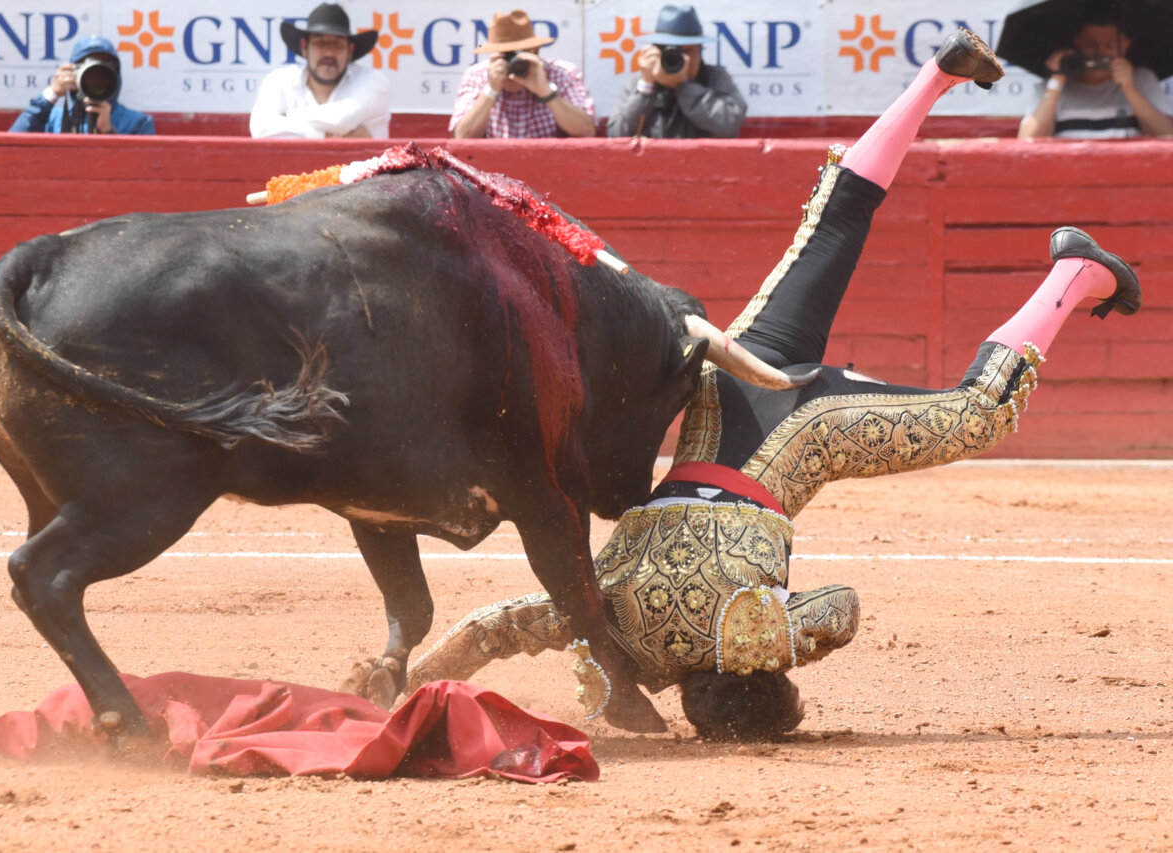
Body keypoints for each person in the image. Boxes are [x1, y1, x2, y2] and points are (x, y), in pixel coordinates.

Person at [407, 28, 1142, 739]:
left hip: (803, 440)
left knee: (977, 412)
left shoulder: (746, 631)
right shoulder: (617, 627)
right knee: (830, 229)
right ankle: (938, 76)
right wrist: (418, 677)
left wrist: (778, 636)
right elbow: (493, 624)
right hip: (718, 395)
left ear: (763, 678)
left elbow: (841, 609)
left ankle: (1076, 272)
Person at [1017, 2, 1173, 139]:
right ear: (1077, 43)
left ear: (1125, 45)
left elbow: (1167, 135)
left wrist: (1130, 89)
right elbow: (1027, 141)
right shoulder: (1051, 86)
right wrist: (1056, 82)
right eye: (1091, 45)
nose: (1100, 52)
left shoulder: (1141, 79)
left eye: (1110, 46)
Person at [250, 3, 391, 139]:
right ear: (305, 47)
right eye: (320, 43)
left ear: (350, 50)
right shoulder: (279, 81)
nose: (329, 52)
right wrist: (323, 135)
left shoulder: (374, 81)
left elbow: (341, 119)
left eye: (338, 44)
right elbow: (260, 129)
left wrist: (287, 116)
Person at [450, 10, 596, 139]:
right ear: (492, 56)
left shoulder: (562, 73)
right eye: (505, 56)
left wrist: (546, 92)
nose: (512, 64)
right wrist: (491, 90)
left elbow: (587, 131)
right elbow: (462, 136)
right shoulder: (477, 75)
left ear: (535, 51)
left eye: (518, 55)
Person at [606, 4, 746, 139]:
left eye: (685, 51)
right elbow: (616, 134)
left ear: (699, 50)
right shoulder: (640, 81)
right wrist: (646, 88)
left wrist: (684, 86)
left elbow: (729, 124)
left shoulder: (715, 77)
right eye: (667, 50)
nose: (676, 57)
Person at [9, 36, 155, 135]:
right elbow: (10, 147)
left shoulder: (139, 123)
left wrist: (108, 132)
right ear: (74, 72)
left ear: (115, 75)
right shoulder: (52, 118)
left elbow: (143, 172)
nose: (96, 79)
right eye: (89, 71)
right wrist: (51, 94)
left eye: (103, 72)